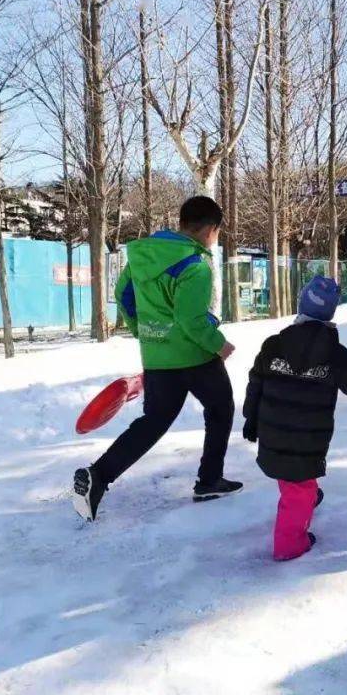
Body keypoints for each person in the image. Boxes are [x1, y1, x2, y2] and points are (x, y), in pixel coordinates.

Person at [72, 196, 241, 522]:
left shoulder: (142, 256)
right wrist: (218, 344)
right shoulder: (195, 265)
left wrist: (144, 332)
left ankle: (99, 476)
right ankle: (209, 480)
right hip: (195, 356)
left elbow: (124, 297)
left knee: (154, 422)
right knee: (221, 409)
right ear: (210, 229)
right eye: (217, 232)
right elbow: (191, 320)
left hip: (157, 356)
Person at [242, 276, 347, 561]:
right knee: (298, 490)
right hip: (307, 442)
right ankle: (289, 546)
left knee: (291, 479)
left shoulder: (273, 345)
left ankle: (305, 499)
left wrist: (250, 421)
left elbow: (255, 386)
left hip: (273, 435)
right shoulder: (334, 353)